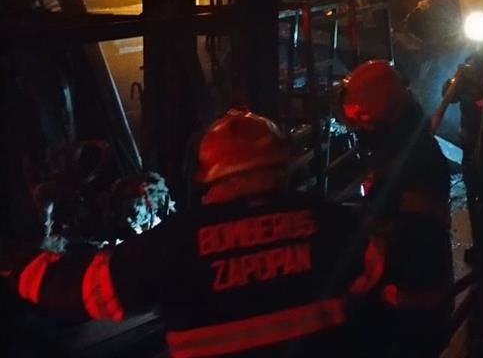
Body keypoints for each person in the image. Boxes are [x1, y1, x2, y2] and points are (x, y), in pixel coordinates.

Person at [1, 108, 385, 357]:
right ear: (281, 166)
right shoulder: (334, 222)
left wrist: (20, 266)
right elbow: (376, 275)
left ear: (207, 173)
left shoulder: (173, 244)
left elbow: (86, 291)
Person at [339, 60, 453, 357]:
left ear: (384, 113)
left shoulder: (413, 161)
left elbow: (415, 239)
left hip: (409, 309)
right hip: (403, 303)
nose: (362, 132)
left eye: (366, 122)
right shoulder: (401, 149)